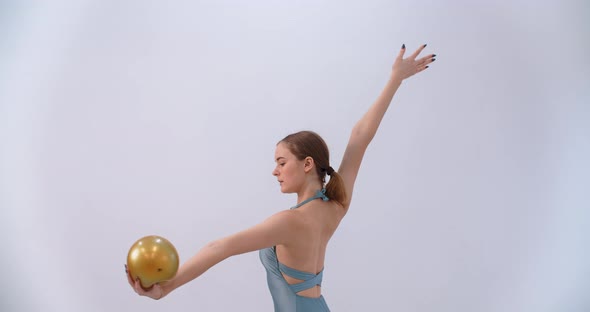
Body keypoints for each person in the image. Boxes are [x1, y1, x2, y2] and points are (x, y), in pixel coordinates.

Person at [126, 43, 435, 311]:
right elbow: (358, 139)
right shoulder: (336, 206)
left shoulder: (290, 222)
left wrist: (168, 287)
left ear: (307, 164)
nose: (274, 171)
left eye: (281, 161)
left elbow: (220, 247)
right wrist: (395, 79)